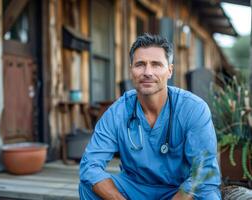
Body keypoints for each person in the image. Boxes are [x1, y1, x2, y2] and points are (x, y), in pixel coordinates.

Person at [79, 34, 221, 200]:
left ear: (170, 70)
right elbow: (90, 165)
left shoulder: (193, 109)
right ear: (131, 69)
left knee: (208, 196)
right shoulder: (118, 111)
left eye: (156, 64)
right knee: (88, 187)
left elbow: (203, 171)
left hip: (180, 188)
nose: (147, 72)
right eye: (140, 65)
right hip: (135, 188)